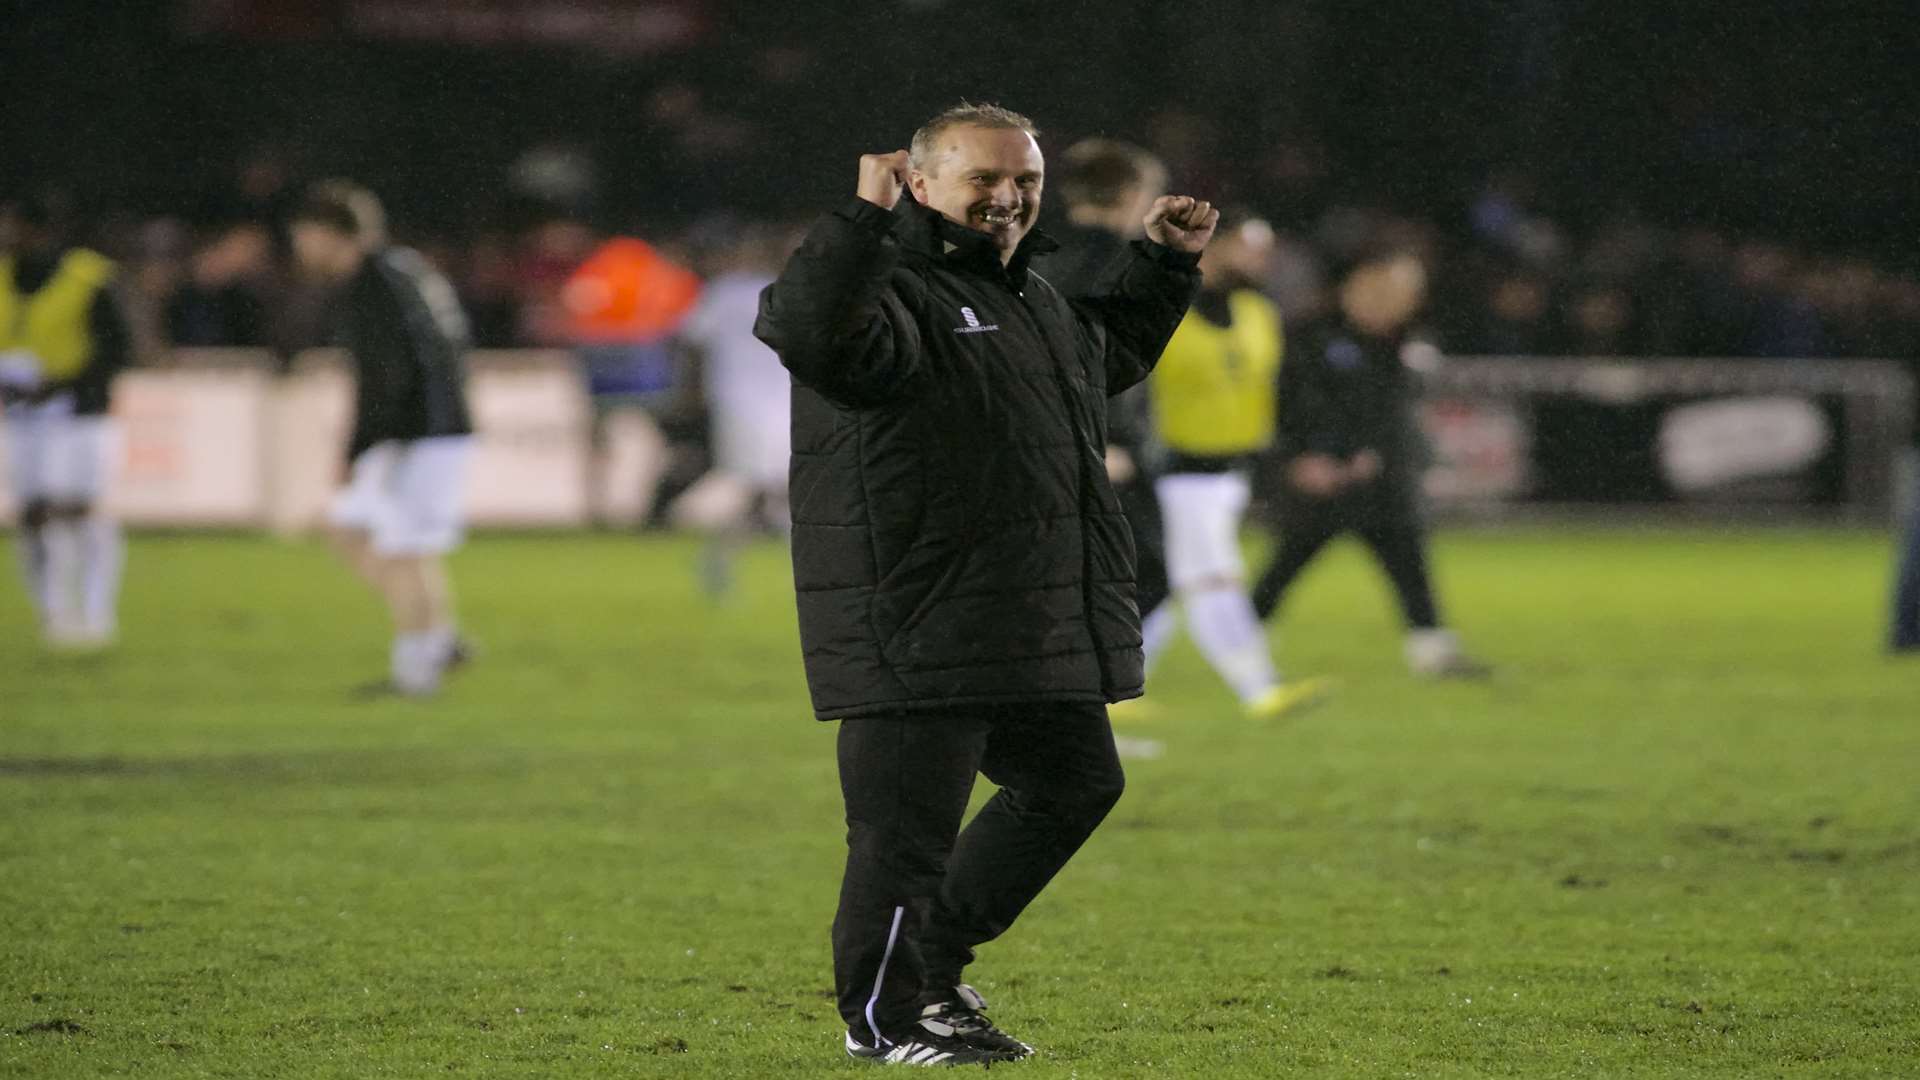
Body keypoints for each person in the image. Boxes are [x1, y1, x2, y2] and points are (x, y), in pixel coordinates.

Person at [752, 103, 1214, 1067]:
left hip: (1014, 611)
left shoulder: (1029, 293)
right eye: (983, 180)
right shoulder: (888, 284)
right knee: (903, 835)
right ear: (921, 183)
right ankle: (880, 1023)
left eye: (1025, 181)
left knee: (1075, 781)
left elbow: (1095, 366)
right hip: (914, 610)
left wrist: (1163, 268)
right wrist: (859, 219)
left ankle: (931, 968)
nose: (1008, 198)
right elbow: (806, 332)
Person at [1249, 248, 1490, 678]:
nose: (1391, 301)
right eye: (1381, 290)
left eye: (1404, 293)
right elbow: (1287, 406)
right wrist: (1300, 459)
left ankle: (1433, 652)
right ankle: (1241, 643)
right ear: (1352, 287)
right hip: (1323, 479)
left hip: (1383, 482)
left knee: (1410, 564)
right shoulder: (1309, 336)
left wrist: (1383, 457)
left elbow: (1395, 416)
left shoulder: (1408, 343)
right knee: (1287, 563)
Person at [289, 181, 475, 697]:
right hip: (426, 427)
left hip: (419, 433)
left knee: (401, 551)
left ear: (330, 234)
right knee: (351, 531)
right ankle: (438, 638)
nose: (301, 248)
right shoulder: (400, 272)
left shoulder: (374, 286)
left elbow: (384, 377)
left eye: (305, 236)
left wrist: (358, 448)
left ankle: (416, 673)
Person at [1146, 210, 1334, 716]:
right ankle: (1260, 689)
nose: (1259, 258)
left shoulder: (1258, 312)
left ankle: (1113, 689)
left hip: (1232, 472)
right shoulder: (1167, 307)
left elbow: (1275, 392)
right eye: (1248, 246)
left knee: (1166, 581)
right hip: (1174, 469)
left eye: (1264, 248)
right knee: (1214, 578)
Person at [1041, 138, 1174, 715]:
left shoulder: (1033, 253)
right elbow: (1099, 357)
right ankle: (1067, 688)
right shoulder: (1119, 261)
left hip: (1042, 436)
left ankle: (1067, 688)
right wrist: (1113, 439)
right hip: (1101, 444)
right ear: (1131, 194)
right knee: (1148, 574)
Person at [0, 193, 135, 648]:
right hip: (23, 420)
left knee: (83, 511)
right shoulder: (2, 277)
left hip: (82, 416)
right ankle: (53, 613)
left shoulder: (90, 277)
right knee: (35, 514)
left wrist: (60, 385)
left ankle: (97, 613)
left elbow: (121, 348)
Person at [671, 222, 793, 597]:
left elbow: (690, 343)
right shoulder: (737, 293)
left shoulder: (763, 293)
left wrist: (690, 391)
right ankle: (811, 571)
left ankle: (720, 555)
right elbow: (692, 344)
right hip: (746, 403)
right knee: (776, 487)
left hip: (771, 402)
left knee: (774, 491)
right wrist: (691, 392)